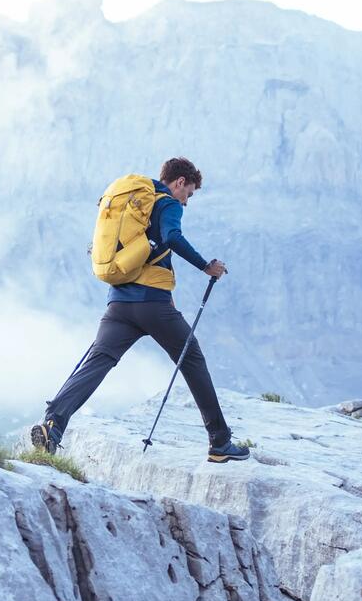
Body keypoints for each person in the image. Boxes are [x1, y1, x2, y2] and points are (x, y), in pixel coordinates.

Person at [31, 157, 250, 463]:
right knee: (192, 358)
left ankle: (53, 425)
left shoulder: (134, 205)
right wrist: (206, 266)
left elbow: (151, 254)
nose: (186, 203)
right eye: (189, 194)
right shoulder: (167, 204)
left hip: (119, 304)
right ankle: (220, 442)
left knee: (99, 361)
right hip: (152, 306)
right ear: (180, 182)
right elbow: (172, 238)